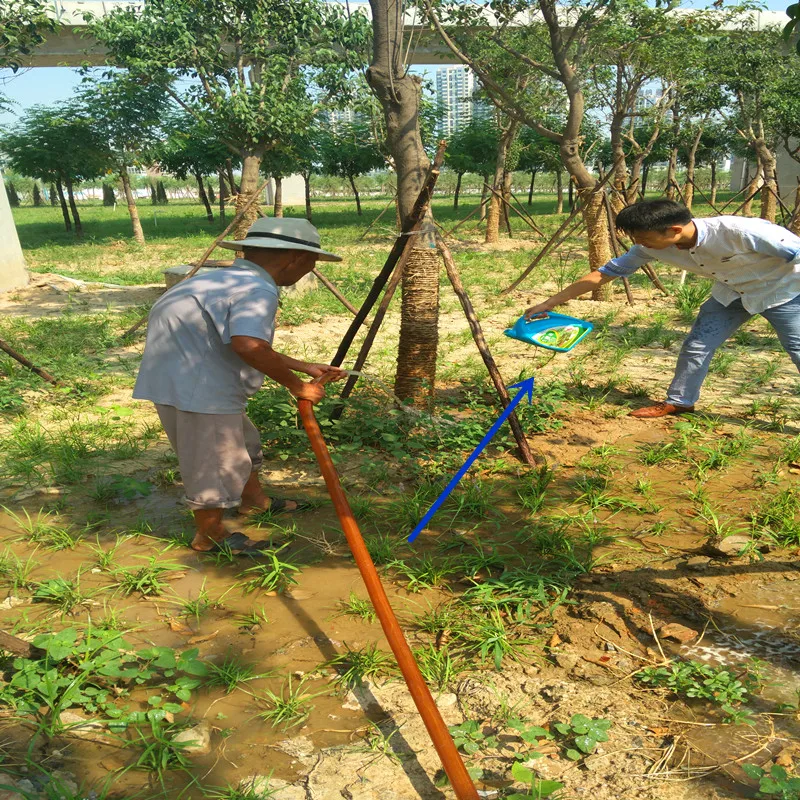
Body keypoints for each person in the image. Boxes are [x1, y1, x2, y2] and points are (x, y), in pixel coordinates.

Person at [133, 218, 346, 553]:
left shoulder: (217, 280)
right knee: (215, 460)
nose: (310, 270)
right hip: (200, 389)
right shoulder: (257, 289)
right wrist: (298, 386)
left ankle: (254, 501)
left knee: (242, 445)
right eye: (312, 263)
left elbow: (233, 338)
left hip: (181, 380)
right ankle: (210, 535)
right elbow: (248, 346)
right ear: (296, 259)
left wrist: (303, 366)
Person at [523, 199, 800, 418]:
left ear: (674, 230)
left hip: (783, 290)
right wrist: (550, 302)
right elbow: (604, 274)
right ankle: (680, 403)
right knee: (697, 345)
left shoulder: (739, 232)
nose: (638, 244)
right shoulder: (650, 247)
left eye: (643, 238)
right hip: (731, 292)